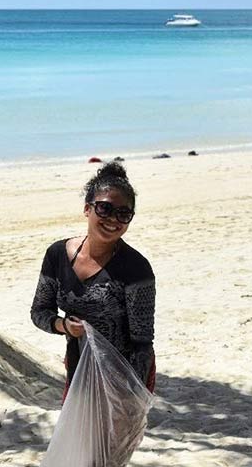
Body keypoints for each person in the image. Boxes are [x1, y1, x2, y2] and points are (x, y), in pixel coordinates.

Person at [30, 162, 156, 398]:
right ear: (87, 209)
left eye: (124, 214)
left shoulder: (137, 269)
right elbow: (39, 311)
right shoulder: (57, 255)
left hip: (124, 378)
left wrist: (131, 396)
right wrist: (64, 326)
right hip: (78, 371)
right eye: (104, 209)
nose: (113, 220)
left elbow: (142, 342)